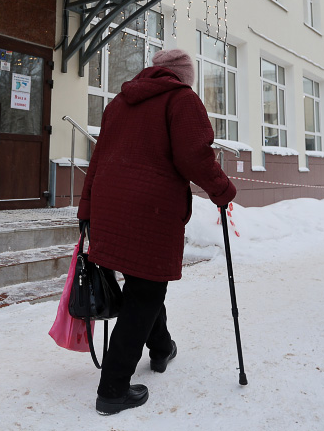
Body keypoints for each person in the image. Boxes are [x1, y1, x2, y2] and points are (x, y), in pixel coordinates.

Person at [77, 48, 237, 415]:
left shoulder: (120, 101)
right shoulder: (181, 100)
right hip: (149, 210)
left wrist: (86, 210)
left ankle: (161, 348)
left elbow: (98, 158)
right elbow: (195, 155)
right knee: (146, 291)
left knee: (143, 282)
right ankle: (113, 389)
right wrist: (222, 190)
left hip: (109, 205)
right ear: (182, 76)